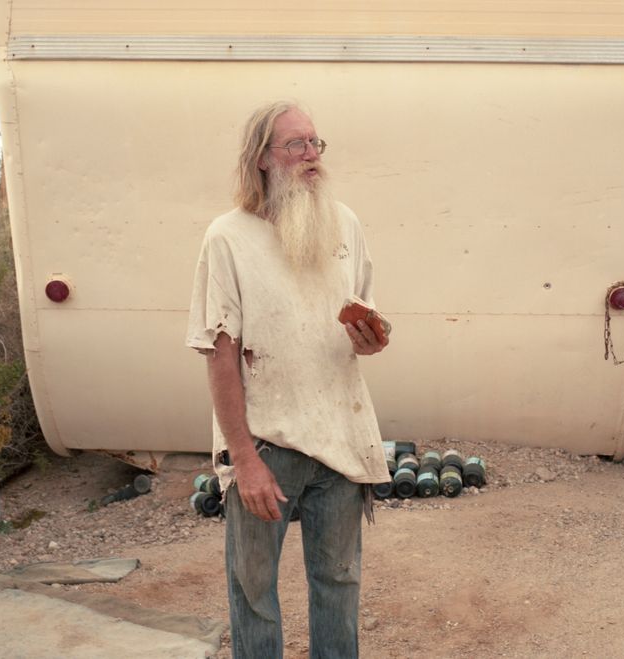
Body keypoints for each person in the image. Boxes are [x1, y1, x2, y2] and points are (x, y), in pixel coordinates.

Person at [185, 101, 390, 658]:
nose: (311, 157)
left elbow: (361, 311)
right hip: (266, 447)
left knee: (339, 585)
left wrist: (369, 337)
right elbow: (219, 356)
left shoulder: (343, 223)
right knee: (253, 592)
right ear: (262, 159)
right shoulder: (227, 237)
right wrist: (243, 459)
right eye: (295, 145)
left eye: (316, 144)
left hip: (342, 440)